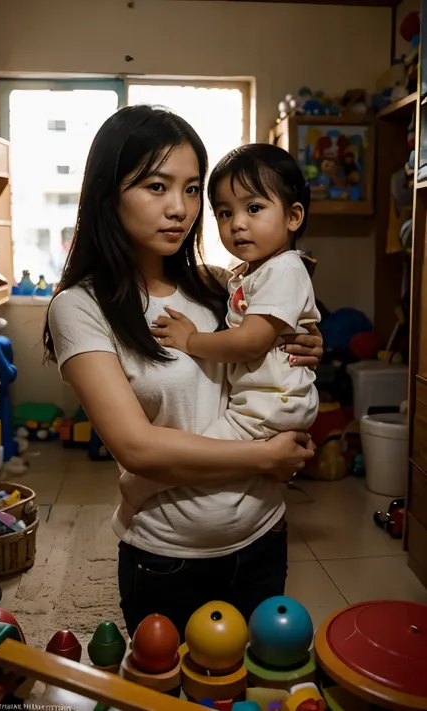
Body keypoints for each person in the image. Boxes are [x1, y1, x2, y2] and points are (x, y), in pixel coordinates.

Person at [44, 105, 323, 640]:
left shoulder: (222, 285)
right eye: (156, 186)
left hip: (264, 534)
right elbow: (139, 450)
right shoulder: (80, 309)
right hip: (168, 558)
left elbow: (276, 349)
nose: (180, 209)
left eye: (192, 189)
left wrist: (308, 342)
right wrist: (267, 456)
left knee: (253, 689)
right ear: (108, 192)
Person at [121, 144, 320, 513]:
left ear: (293, 217)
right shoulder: (245, 275)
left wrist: (192, 340)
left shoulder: (284, 269)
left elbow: (249, 343)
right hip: (263, 399)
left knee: (204, 452)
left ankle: (143, 485)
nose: (237, 223)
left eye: (254, 208)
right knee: (220, 454)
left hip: (268, 403)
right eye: (225, 213)